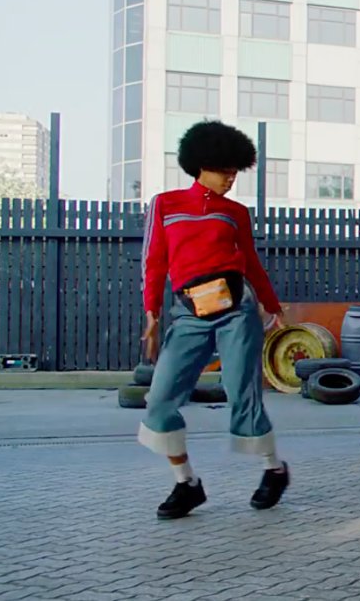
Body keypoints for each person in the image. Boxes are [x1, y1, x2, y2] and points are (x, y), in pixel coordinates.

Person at [138, 120, 289, 520]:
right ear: (201, 165)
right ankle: (186, 483)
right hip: (188, 315)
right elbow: (154, 262)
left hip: (237, 311)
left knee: (242, 394)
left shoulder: (236, 212)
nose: (231, 179)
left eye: (235, 172)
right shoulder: (165, 205)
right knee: (159, 401)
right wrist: (152, 314)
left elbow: (251, 262)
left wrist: (273, 306)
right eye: (225, 171)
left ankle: (274, 470)